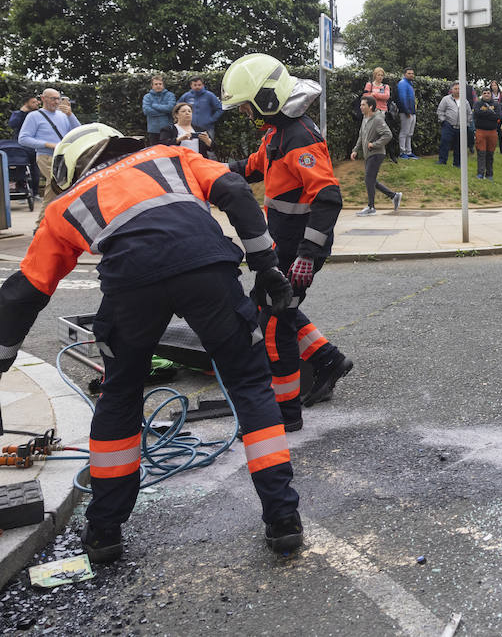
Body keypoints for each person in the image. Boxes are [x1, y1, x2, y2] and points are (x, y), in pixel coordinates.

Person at [0, 124, 304, 561]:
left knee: (120, 396)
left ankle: (104, 533)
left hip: (130, 287)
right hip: (208, 269)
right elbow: (235, 190)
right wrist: (266, 264)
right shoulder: (167, 155)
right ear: (115, 143)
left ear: (73, 168)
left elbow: (24, 291)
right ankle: (283, 521)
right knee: (250, 385)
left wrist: (4, 356)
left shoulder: (64, 205)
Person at [221, 53, 355, 422]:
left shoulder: (300, 138)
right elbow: (250, 167)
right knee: (275, 306)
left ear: (266, 98)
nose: (247, 114)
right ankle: (329, 360)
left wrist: (308, 254)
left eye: (248, 107)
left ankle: (285, 410)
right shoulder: (277, 134)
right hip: (284, 245)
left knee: (274, 323)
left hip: (299, 249)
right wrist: (203, 170)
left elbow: (328, 198)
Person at [17, 88, 81, 221]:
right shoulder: (34, 116)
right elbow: (23, 139)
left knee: (54, 189)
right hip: (46, 157)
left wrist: (70, 115)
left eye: (58, 98)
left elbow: (78, 131)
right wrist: (48, 144)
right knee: (59, 185)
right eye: (53, 98)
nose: (56, 102)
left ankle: (44, 225)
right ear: (43, 98)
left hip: (64, 157)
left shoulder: (63, 115)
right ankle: (43, 224)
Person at [352, 95, 401, 215]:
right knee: (371, 180)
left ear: (371, 106)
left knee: (369, 179)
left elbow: (387, 135)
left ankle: (371, 207)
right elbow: (361, 136)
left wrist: (374, 144)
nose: (361, 107)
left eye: (363, 105)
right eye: (361, 105)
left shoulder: (378, 119)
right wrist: (355, 150)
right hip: (368, 154)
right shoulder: (365, 118)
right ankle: (394, 195)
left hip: (377, 153)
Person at [473, 89, 502, 180]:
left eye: (488, 93)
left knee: (490, 154)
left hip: (492, 132)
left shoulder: (496, 104)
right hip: (480, 131)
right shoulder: (478, 104)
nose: (486, 94)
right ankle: (480, 173)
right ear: (482, 95)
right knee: (481, 153)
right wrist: (490, 113)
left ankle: (489, 174)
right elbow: (477, 113)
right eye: (484, 93)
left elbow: (499, 116)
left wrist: (484, 114)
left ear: (491, 94)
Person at [140, 75, 177, 146]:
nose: (158, 86)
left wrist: (154, 106)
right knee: (155, 152)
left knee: (168, 151)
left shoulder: (170, 95)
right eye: (156, 84)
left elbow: (170, 108)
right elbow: (146, 111)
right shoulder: (147, 97)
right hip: (153, 130)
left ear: (163, 85)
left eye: (160, 84)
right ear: (152, 86)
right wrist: (164, 113)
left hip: (168, 129)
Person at [436, 83, 466, 167]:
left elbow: (469, 113)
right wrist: (443, 121)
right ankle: (442, 161)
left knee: (459, 146)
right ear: (452, 90)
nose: (457, 90)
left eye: (459, 89)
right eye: (455, 89)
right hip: (448, 125)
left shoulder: (465, 100)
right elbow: (440, 111)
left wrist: (466, 123)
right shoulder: (446, 99)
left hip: (460, 127)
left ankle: (457, 163)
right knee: (445, 143)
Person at [395, 67, 418, 159]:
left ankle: (409, 152)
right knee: (404, 132)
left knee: (410, 133)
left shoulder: (410, 84)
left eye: (412, 73)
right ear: (405, 74)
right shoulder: (402, 83)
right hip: (406, 112)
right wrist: (406, 111)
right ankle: (402, 152)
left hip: (412, 112)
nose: (411, 75)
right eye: (409, 73)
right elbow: (402, 98)